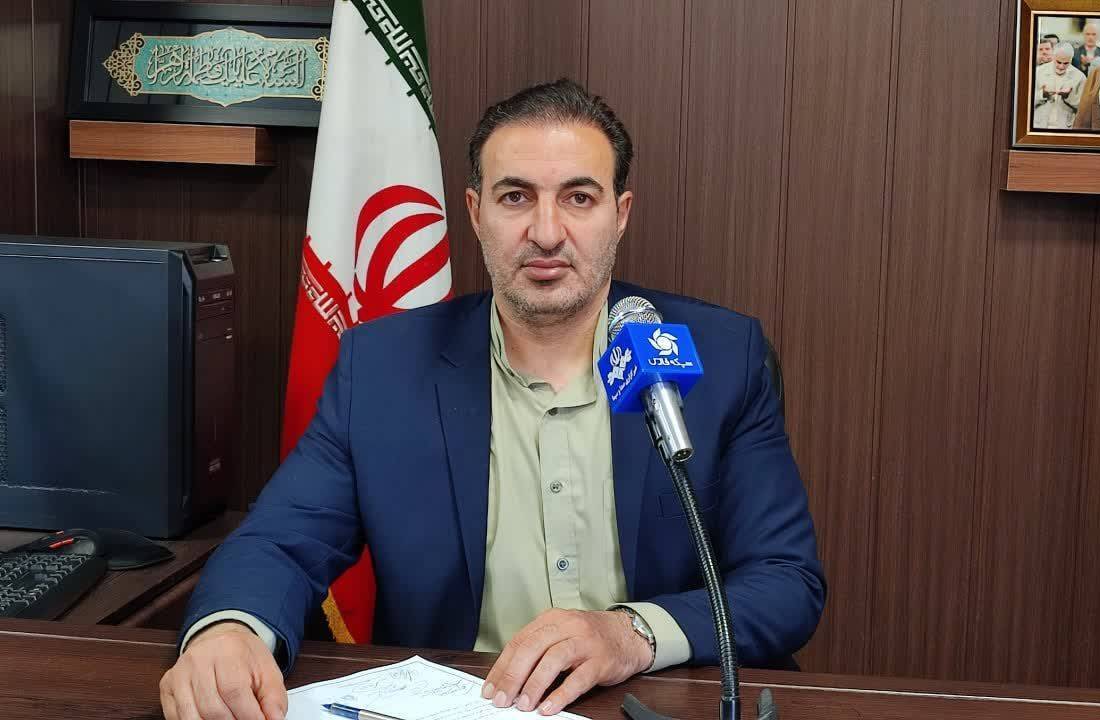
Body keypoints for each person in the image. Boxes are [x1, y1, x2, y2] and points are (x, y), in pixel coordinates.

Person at [158, 78, 826, 720]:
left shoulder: (721, 357)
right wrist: (229, 632)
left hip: (653, 704)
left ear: (620, 215)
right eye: (515, 197)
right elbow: (280, 541)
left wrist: (631, 633)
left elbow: (785, 579)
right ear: (476, 213)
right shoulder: (385, 369)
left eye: (579, 198)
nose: (546, 232)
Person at [1033, 43, 1087, 129]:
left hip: (1065, 127)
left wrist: (1068, 97)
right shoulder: (1039, 71)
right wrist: (1042, 94)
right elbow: (1026, 102)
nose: (1061, 66)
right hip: (1038, 125)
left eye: (1066, 63)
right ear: (1053, 57)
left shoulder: (1080, 77)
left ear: (1071, 59)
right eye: (1058, 62)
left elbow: (1084, 107)